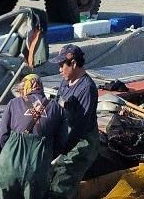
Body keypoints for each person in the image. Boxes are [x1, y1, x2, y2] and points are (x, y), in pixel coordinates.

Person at [0, 74, 65, 199]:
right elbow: (61, 142)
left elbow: (2, 135)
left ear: (26, 87)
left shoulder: (13, 103)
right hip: (39, 166)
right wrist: (45, 156)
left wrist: (10, 152)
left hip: (11, 163)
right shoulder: (57, 109)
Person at [47, 44, 99, 199]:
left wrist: (60, 152)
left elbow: (79, 128)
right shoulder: (66, 80)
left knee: (64, 173)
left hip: (83, 140)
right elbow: (57, 106)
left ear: (74, 63)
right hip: (65, 132)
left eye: (62, 65)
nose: (59, 70)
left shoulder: (87, 88)